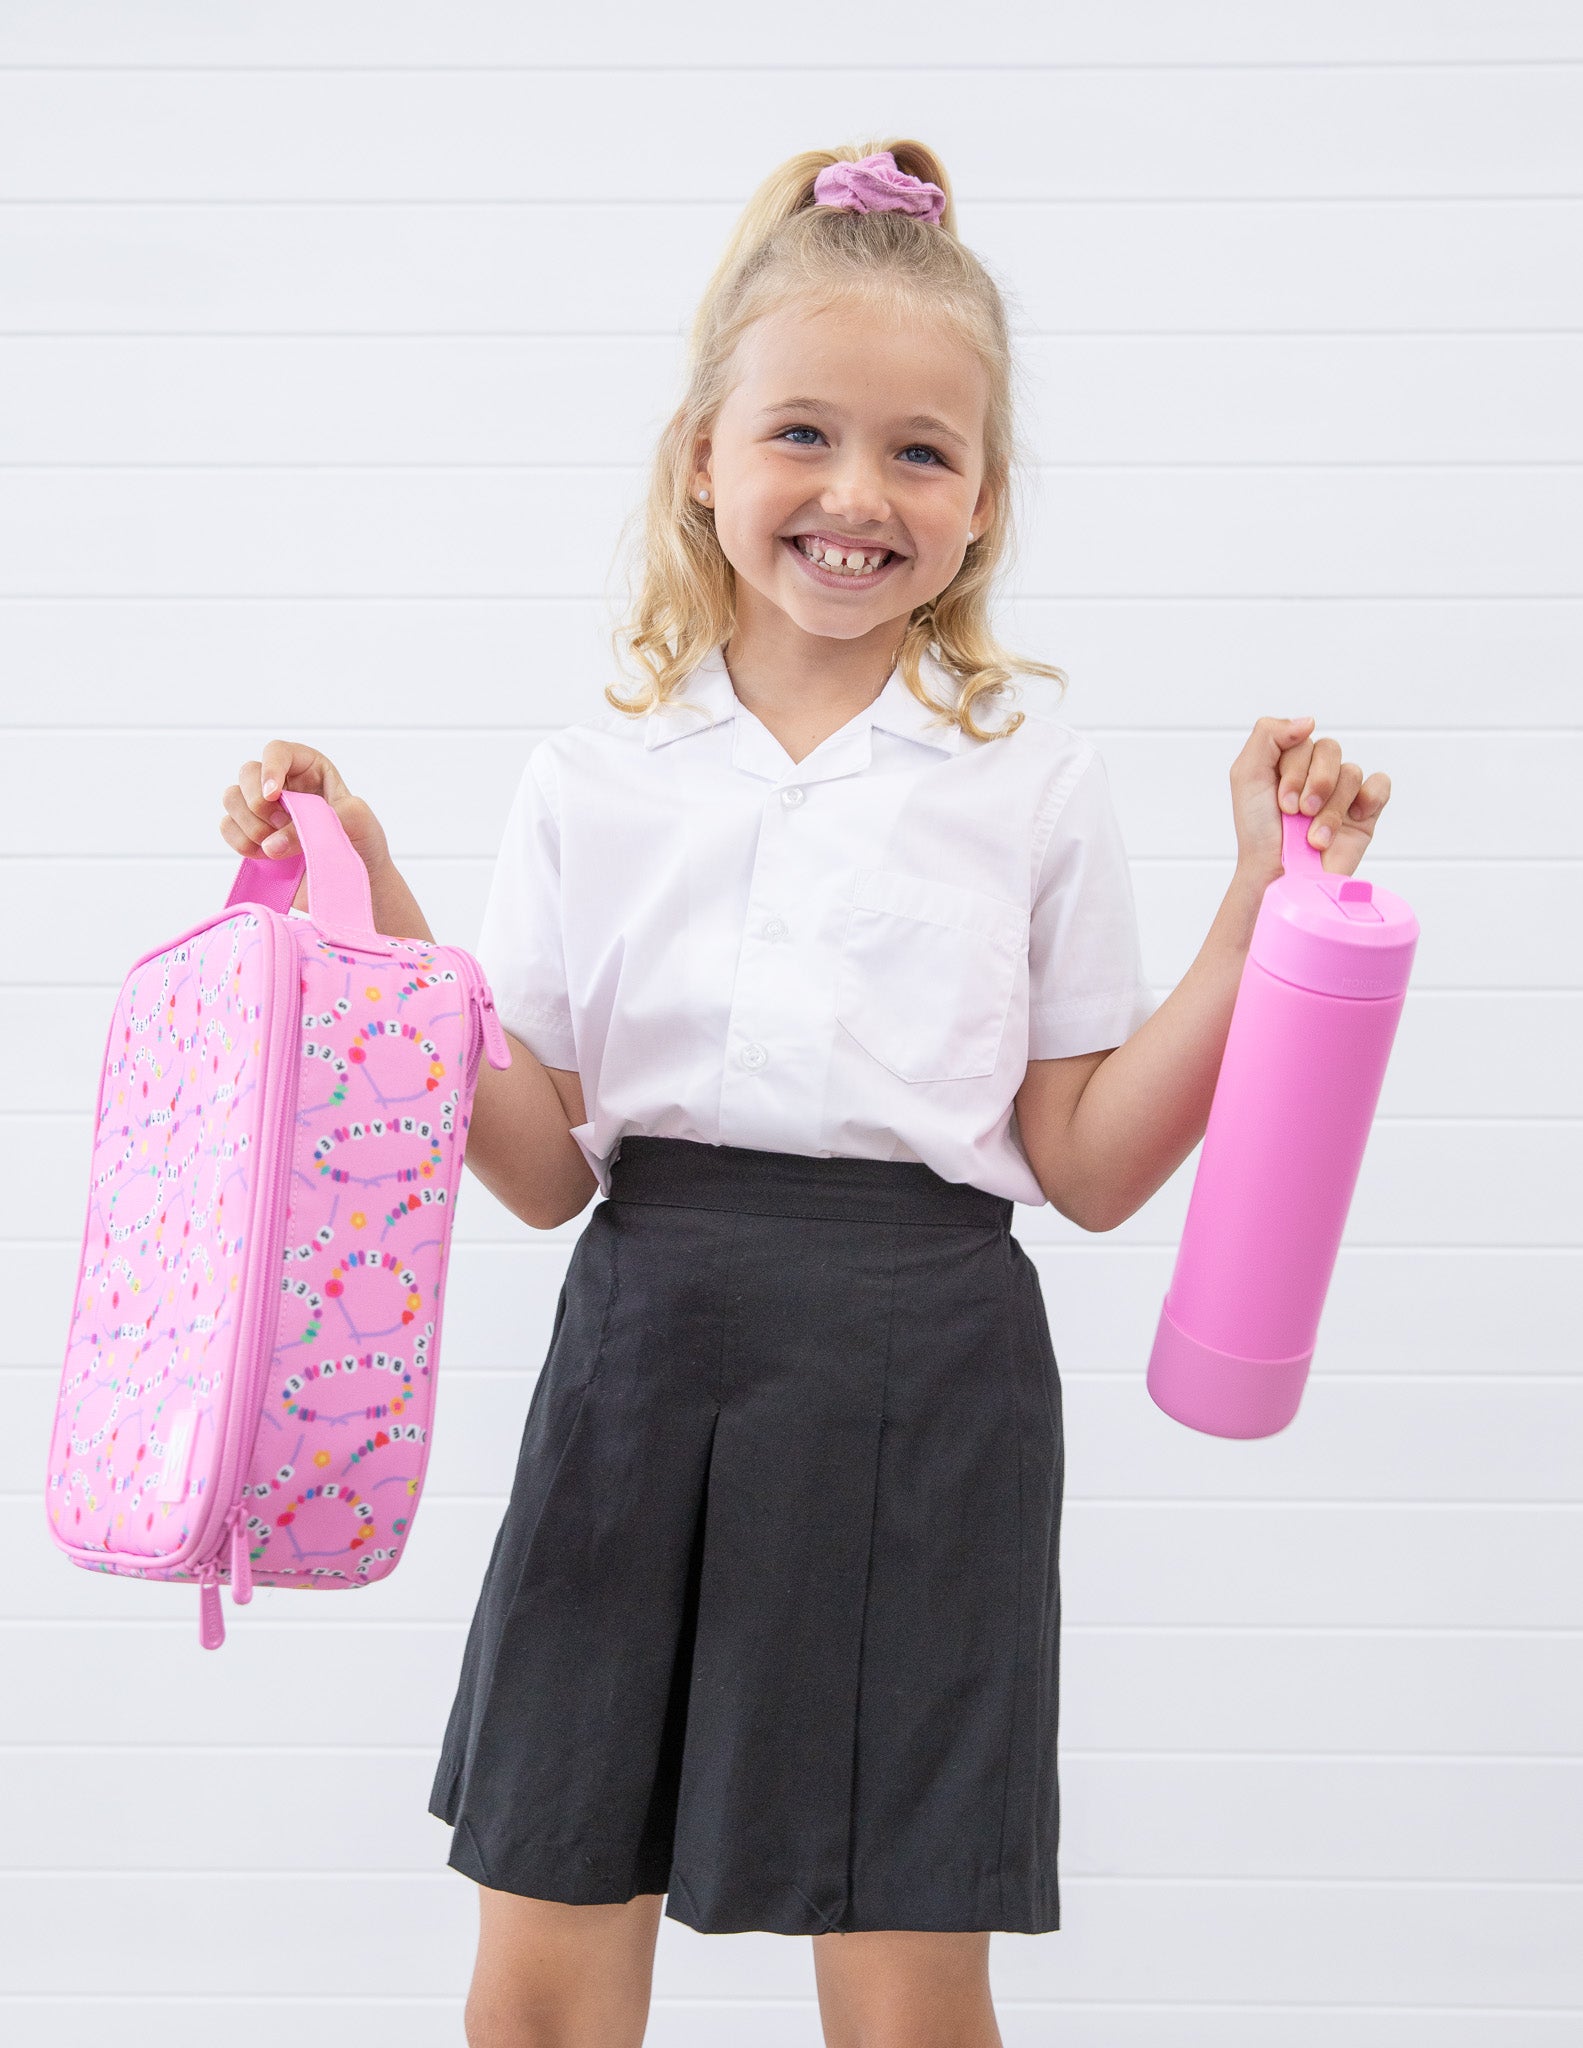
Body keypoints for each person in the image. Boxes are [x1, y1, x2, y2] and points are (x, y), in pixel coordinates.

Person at [221, 139, 1392, 2048]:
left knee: (914, 1984)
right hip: (642, 1358)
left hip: (930, 1385)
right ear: (703, 453)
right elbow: (530, 1168)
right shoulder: (588, 778)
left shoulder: (1031, 781)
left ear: (985, 501)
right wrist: (368, 878)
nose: (859, 496)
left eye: (921, 454)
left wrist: (1262, 904)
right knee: (546, 1953)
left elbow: (1088, 1168)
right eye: (803, 436)